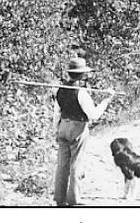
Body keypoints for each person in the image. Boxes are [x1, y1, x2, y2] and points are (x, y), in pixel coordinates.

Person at [53, 56, 114, 207]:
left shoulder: (60, 89)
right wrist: (107, 100)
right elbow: (93, 115)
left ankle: (59, 199)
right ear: (82, 75)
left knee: (62, 164)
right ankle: (74, 199)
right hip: (77, 128)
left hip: (62, 127)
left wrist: (56, 130)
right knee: (76, 163)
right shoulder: (81, 93)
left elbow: (57, 113)